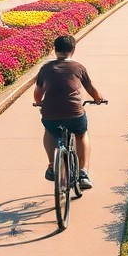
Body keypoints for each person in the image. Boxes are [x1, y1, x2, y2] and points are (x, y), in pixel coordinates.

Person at [33, 35, 105, 189]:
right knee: (81, 134)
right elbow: (91, 89)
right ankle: (83, 172)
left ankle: (53, 165)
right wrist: (98, 99)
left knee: (49, 131)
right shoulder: (78, 67)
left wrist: (39, 102)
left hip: (50, 112)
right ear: (73, 49)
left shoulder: (45, 68)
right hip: (74, 112)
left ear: (54, 50)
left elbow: (38, 93)